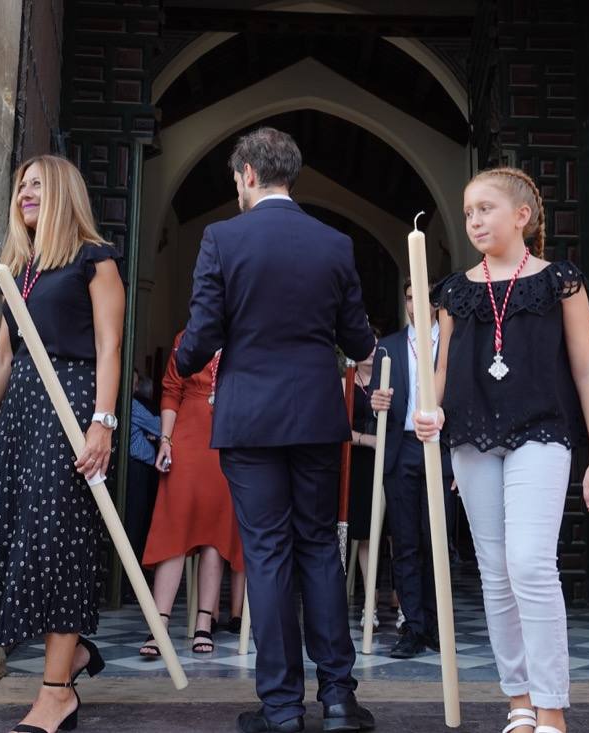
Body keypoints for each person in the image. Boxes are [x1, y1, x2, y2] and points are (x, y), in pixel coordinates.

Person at [175, 127, 376, 733]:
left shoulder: (222, 238)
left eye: (236, 180)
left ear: (247, 175)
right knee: (319, 547)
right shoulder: (335, 243)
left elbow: (203, 333)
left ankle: (283, 708)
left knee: (266, 553)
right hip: (316, 415)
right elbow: (358, 340)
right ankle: (338, 699)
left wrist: (182, 359)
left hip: (249, 418)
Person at [414, 167, 589, 733]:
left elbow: (588, 371)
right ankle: (519, 701)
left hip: (542, 432)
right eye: (468, 212)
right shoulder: (454, 292)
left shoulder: (560, 282)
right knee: (496, 571)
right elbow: (442, 372)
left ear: (522, 216)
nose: (474, 220)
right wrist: (430, 412)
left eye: (486, 209)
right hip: (473, 439)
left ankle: (552, 707)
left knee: (529, 562)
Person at [0, 154, 124, 733]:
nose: (25, 193)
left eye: (37, 184)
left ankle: (57, 694)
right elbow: (2, 358)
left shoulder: (94, 259)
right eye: (21, 185)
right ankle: (71, 657)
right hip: (23, 415)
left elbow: (109, 346)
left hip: (71, 406)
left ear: (62, 193)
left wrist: (103, 422)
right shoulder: (19, 270)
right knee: (17, 539)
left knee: (58, 541)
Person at [139, 331, 245, 657]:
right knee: (175, 524)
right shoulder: (187, 336)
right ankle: (158, 626)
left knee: (216, 531)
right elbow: (172, 390)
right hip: (186, 436)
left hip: (229, 436)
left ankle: (204, 623)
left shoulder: (246, 334)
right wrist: (165, 441)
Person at [368, 280, 455, 659]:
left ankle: (437, 625)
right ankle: (413, 626)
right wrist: (376, 401)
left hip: (440, 447)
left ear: (436, 303)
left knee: (436, 540)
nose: (413, 303)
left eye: (421, 296)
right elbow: (376, 402)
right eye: (408, 297)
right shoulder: (388, 346)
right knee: (404, 543)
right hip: (401, 447)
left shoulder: (452, 342)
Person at [345, 347, 380, 630]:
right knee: (365, 533)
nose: (370, 351)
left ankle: (404, 606)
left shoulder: (387, 380)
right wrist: (366, 440)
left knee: (394, 533)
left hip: (388, 459)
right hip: (358, 461)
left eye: (375, 346)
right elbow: (337, 426)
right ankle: (371, 605)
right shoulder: (345, 382)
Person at [123, 371, 161, 601]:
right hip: (137, 470)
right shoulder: (133, 406)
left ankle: (126, 585)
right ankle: (129, 586)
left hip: (130, 469)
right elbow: (159, 426)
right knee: (135, 527)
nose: (135, 389)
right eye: (134, 383)